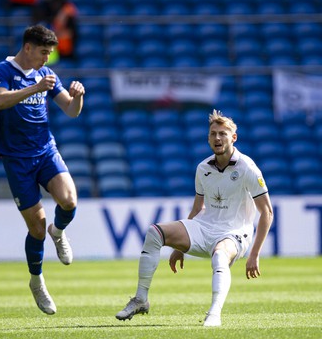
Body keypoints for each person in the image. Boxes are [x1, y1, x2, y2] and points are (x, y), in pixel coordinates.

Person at [115, 109, 274, 327]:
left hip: (234, 232)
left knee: (220, 257)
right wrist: (179, 247)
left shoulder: (247, 168)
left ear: (233, 138)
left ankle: (214, 314)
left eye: (223, 134)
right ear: (208, 138)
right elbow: (198, 208)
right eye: (213, 134)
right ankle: (141, 299)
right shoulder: (203, 168)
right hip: (205, 227)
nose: (217, 138)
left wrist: (254, 254)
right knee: (154, 232)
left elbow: (267, 212)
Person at [0, 24, 85, 315]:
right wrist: (34, 88)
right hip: (17, 159)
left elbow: (71, 110)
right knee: (36, 229)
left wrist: (78, 96)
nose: (47, 59)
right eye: (43, 52)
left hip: (45, 151)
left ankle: (60, 231)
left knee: (69, 201)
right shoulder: (2, 71)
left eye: (49, 54)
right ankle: (37, 280)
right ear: (28, 47)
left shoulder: (47, 74)